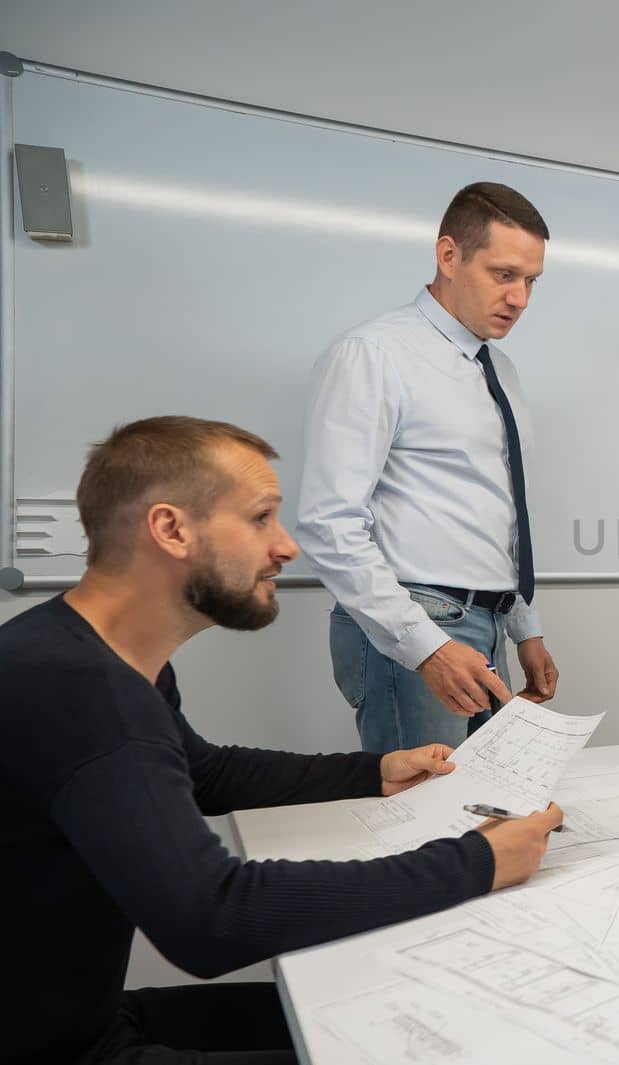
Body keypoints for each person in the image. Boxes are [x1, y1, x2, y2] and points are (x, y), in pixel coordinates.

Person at [0, 417, 564, 1064]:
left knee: (398, 1007)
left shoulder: (79, 653)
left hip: (81, 1022)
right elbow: (212, 919)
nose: (287, 545)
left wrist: (374, 770)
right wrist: (477, 862)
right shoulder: (83, 692)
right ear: (171, 529)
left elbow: (204, 772)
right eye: (262, 517)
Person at [298, 181, 559, 753]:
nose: (519, 298)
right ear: (448, 256)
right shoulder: (375, 355)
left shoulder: (500, 369)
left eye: (531, 280)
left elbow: (498, 508)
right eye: (503, 274)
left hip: (487, 620)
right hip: (418, 619)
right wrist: (427, 645)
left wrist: (523, 628)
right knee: (423, 816)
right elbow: (328, 522)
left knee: (493, 813)